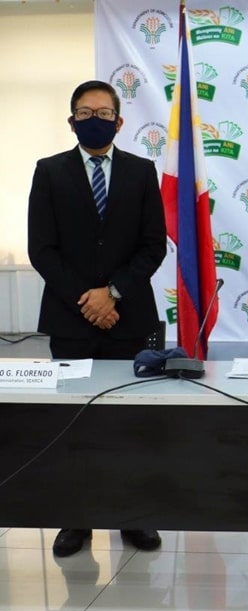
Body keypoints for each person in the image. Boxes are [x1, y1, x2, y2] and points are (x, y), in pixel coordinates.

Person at [27, 80, 167, 558]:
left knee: (129, 422)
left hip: (129, 319)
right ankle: (77, 519)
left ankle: (133, 517)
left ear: (119, 121)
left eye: (104, 112)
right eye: (85, 112)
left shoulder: (142, 171)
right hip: (70, 320)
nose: (95, 119)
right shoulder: (49, 172)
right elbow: (41, 248)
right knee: (73, 423)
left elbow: (153, 245)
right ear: (72, 120)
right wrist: (87, 300)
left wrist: (112, 294)